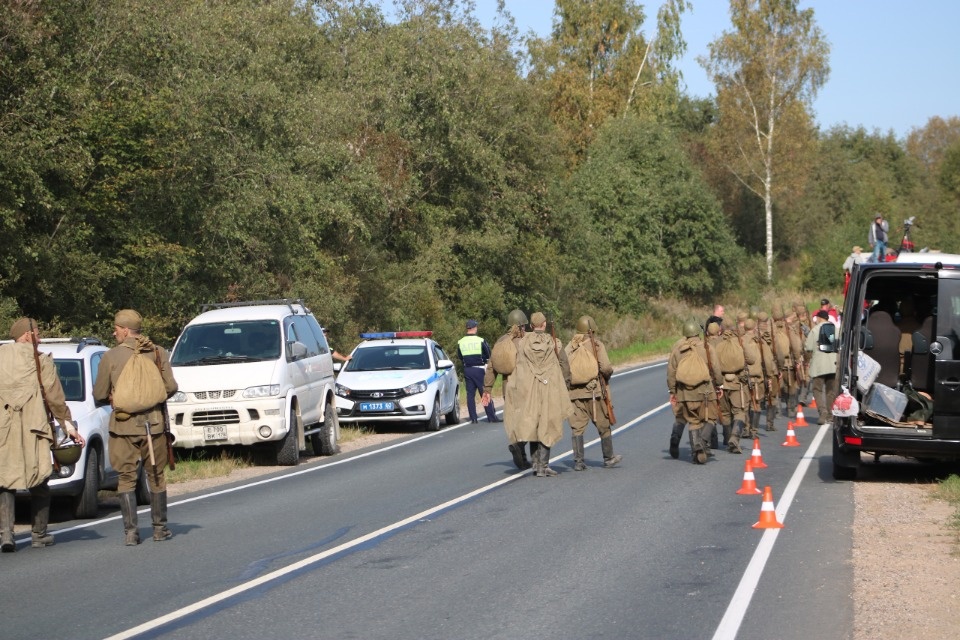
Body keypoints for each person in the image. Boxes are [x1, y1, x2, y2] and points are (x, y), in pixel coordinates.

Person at [93, 309, 178, 546]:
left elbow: (99, 393)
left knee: (126, 478)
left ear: (125, 330)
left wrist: (115, 396)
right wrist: (150, 396)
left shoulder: (110, 357)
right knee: (156, 475)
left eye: (116, 328)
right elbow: (170, 387)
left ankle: (131, 533)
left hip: (123, 426)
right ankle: (160, 528)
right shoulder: (157, 352)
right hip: (154, 425)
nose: (114, 332)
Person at [0, 318, 85, 552]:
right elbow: (55, 399)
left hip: (3, 430)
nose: (39, 337)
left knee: (4, 481)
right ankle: (39, 534)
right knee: (40, 478)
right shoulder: (40, 362)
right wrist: (70, 428)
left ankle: (6, 535)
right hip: (34, 428)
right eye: (37, 333)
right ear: (27, 335)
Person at [511, 312, 572, 477]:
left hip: (530, 389)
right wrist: (565, 385)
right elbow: (564, 364)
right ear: (544, 325)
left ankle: (536, 465)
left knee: (534, 424)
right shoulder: (553, 342)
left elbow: (519, 366)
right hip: (549, 389)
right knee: (548, 424)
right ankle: (543, 465)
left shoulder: (523, 343)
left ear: (531, 326)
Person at [563, 315, 621, 470]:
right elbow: (606, 367)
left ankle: (579, 462)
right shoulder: (596, 345)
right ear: (592, 330)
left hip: (574, 394)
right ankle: (609, 458)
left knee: (577, 427)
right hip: (594, 393)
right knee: (603, 424)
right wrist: (606, 377)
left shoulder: (569, 347)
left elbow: (563, 368)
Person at [482, 310, 532, 469]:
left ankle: (522, 458)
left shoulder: (501, 341)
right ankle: (520, 446)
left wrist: (487, 389)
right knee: (531, 421)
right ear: (523, 325)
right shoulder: (527, 341)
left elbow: (491, 367)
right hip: (525, 386)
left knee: (516, 421)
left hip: (507, 388)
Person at [667, 319, 721, 464]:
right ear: (698, 332)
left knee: (693, 421)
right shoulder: (707, 347)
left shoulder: (678, 349)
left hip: (685, 393)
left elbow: (671, 371)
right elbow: (715, 369)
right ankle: (702, 442)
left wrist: (673, 391)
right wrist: (719, 384)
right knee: (711, 418)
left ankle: (697, 453)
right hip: (706, 391)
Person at [457, 319, 499, 424]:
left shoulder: (461, 342)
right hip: (479, 369)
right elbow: (488, 353)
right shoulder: (480, 340)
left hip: (467, 370)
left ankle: (473, 418)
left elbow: (460, 356)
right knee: (484, 392)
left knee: (470, 395)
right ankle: (491, 417)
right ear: (475, 328)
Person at [804, 310, 838, 425]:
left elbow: (808, 348)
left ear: (819, 318)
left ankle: (822, 411)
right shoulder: (835, 329)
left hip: (819, 366)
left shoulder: (815, 330)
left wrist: (807, 361)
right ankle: (830, 414)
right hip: (833, 365)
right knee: (830, 391)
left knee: (817, 389)